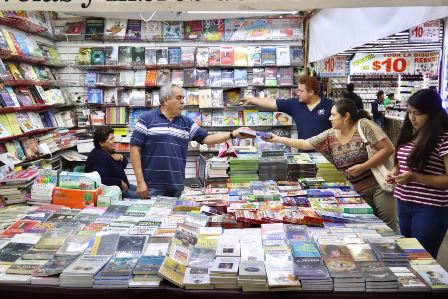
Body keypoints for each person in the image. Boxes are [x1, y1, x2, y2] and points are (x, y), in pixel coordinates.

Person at [267, 99, 398, 231]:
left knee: (388, 227)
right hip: (357, 190)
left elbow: (388, 149)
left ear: (346, 116)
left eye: (333, 115)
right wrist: (278, 139)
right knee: (368, 228)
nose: (330, 118)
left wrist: (364, 166)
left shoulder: (364, 125)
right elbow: (305, 144)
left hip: (380, 185)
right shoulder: (330, 135)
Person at [130, 83, 251, 199]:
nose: (183, 101)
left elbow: (208, 139)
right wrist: (140, 182)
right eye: (178, 98)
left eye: (183, 98)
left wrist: (233, 134)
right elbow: (135, 149)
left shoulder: (186, 123)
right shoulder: (146, 119)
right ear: (166, 100)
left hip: (176, 185)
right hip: (152, 185)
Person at [386, 89, 448, 259]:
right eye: (409, 113)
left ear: (433, 113)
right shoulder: (410, 132)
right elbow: (401, 163)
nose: (412, 118)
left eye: (417, 113)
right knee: (406, 255)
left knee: (421, 259)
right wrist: (395, 172)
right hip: (403, 202)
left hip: (430, 207)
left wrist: (415, 177)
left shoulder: (444, 139)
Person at [242, 75, 333, 140]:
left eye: (301, 91)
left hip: (326, 156)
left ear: (311, 92)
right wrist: (252, 99)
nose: (298, 93)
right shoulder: (295, 104)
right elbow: (272, 103)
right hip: (304, 155)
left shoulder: (330, 105)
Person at [85, 127, 138, 199]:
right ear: (101, 143)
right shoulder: (98, 156)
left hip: (122, 186)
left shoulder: (108, 151)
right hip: (114, 191)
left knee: (145, 190)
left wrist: (121, 157)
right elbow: (101, 180)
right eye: (111, 139)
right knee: (144, 196)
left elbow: (122, 165)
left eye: (114, 138)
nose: (114, 141)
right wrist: (119, 182)